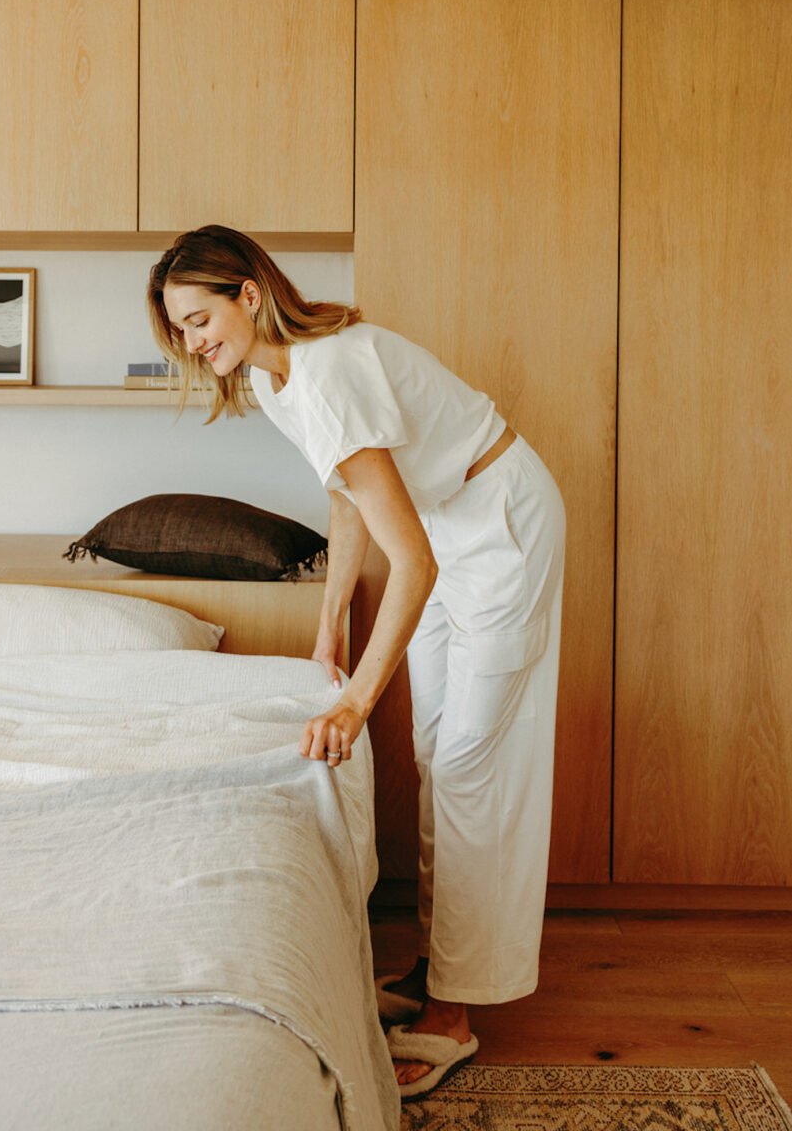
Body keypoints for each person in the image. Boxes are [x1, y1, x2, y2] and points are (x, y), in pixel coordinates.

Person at [147, 225, 566, 1102]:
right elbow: (348, 497)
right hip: (442, 526)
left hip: (496, 521)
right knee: (435, 759)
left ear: (248, 293)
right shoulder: (272, 377)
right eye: (179, 330)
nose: (193, 343)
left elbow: (409, 563)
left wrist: (352, 705)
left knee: (471, 762)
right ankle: (439, 969)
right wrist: (330, 618)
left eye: (199, 318)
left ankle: (454, 1013)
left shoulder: (329, 365)